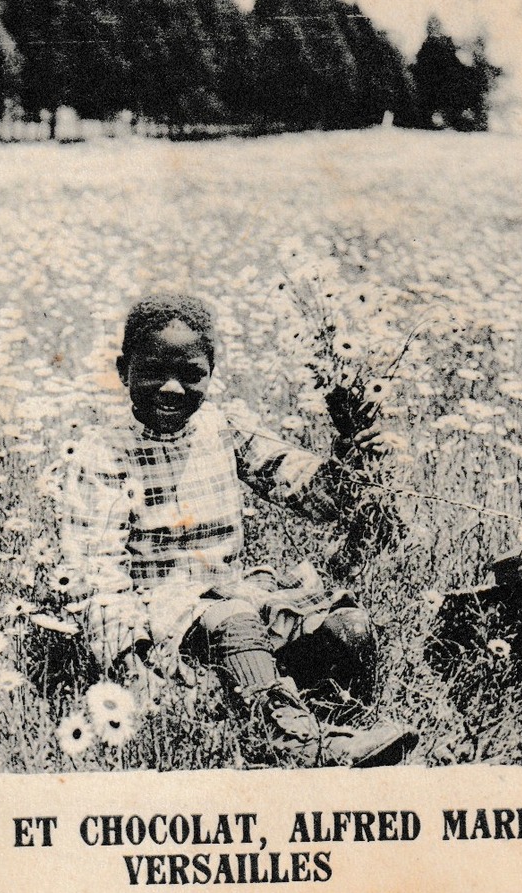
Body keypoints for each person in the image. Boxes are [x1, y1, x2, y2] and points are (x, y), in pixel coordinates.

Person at [60, 292, 416, 768]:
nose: (171, 389)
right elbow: (94, 572)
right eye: (152, 372)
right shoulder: (103, 452)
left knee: (344, 628)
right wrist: (130, 659)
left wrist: (351, 455)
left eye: (190, 374)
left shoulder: (221, 430)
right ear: (123, 370)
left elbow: (311, 494)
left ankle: (343, 725)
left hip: (232, 596)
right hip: (159, 611)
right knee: (232, 619)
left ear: (211, 372)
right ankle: (297, 746)